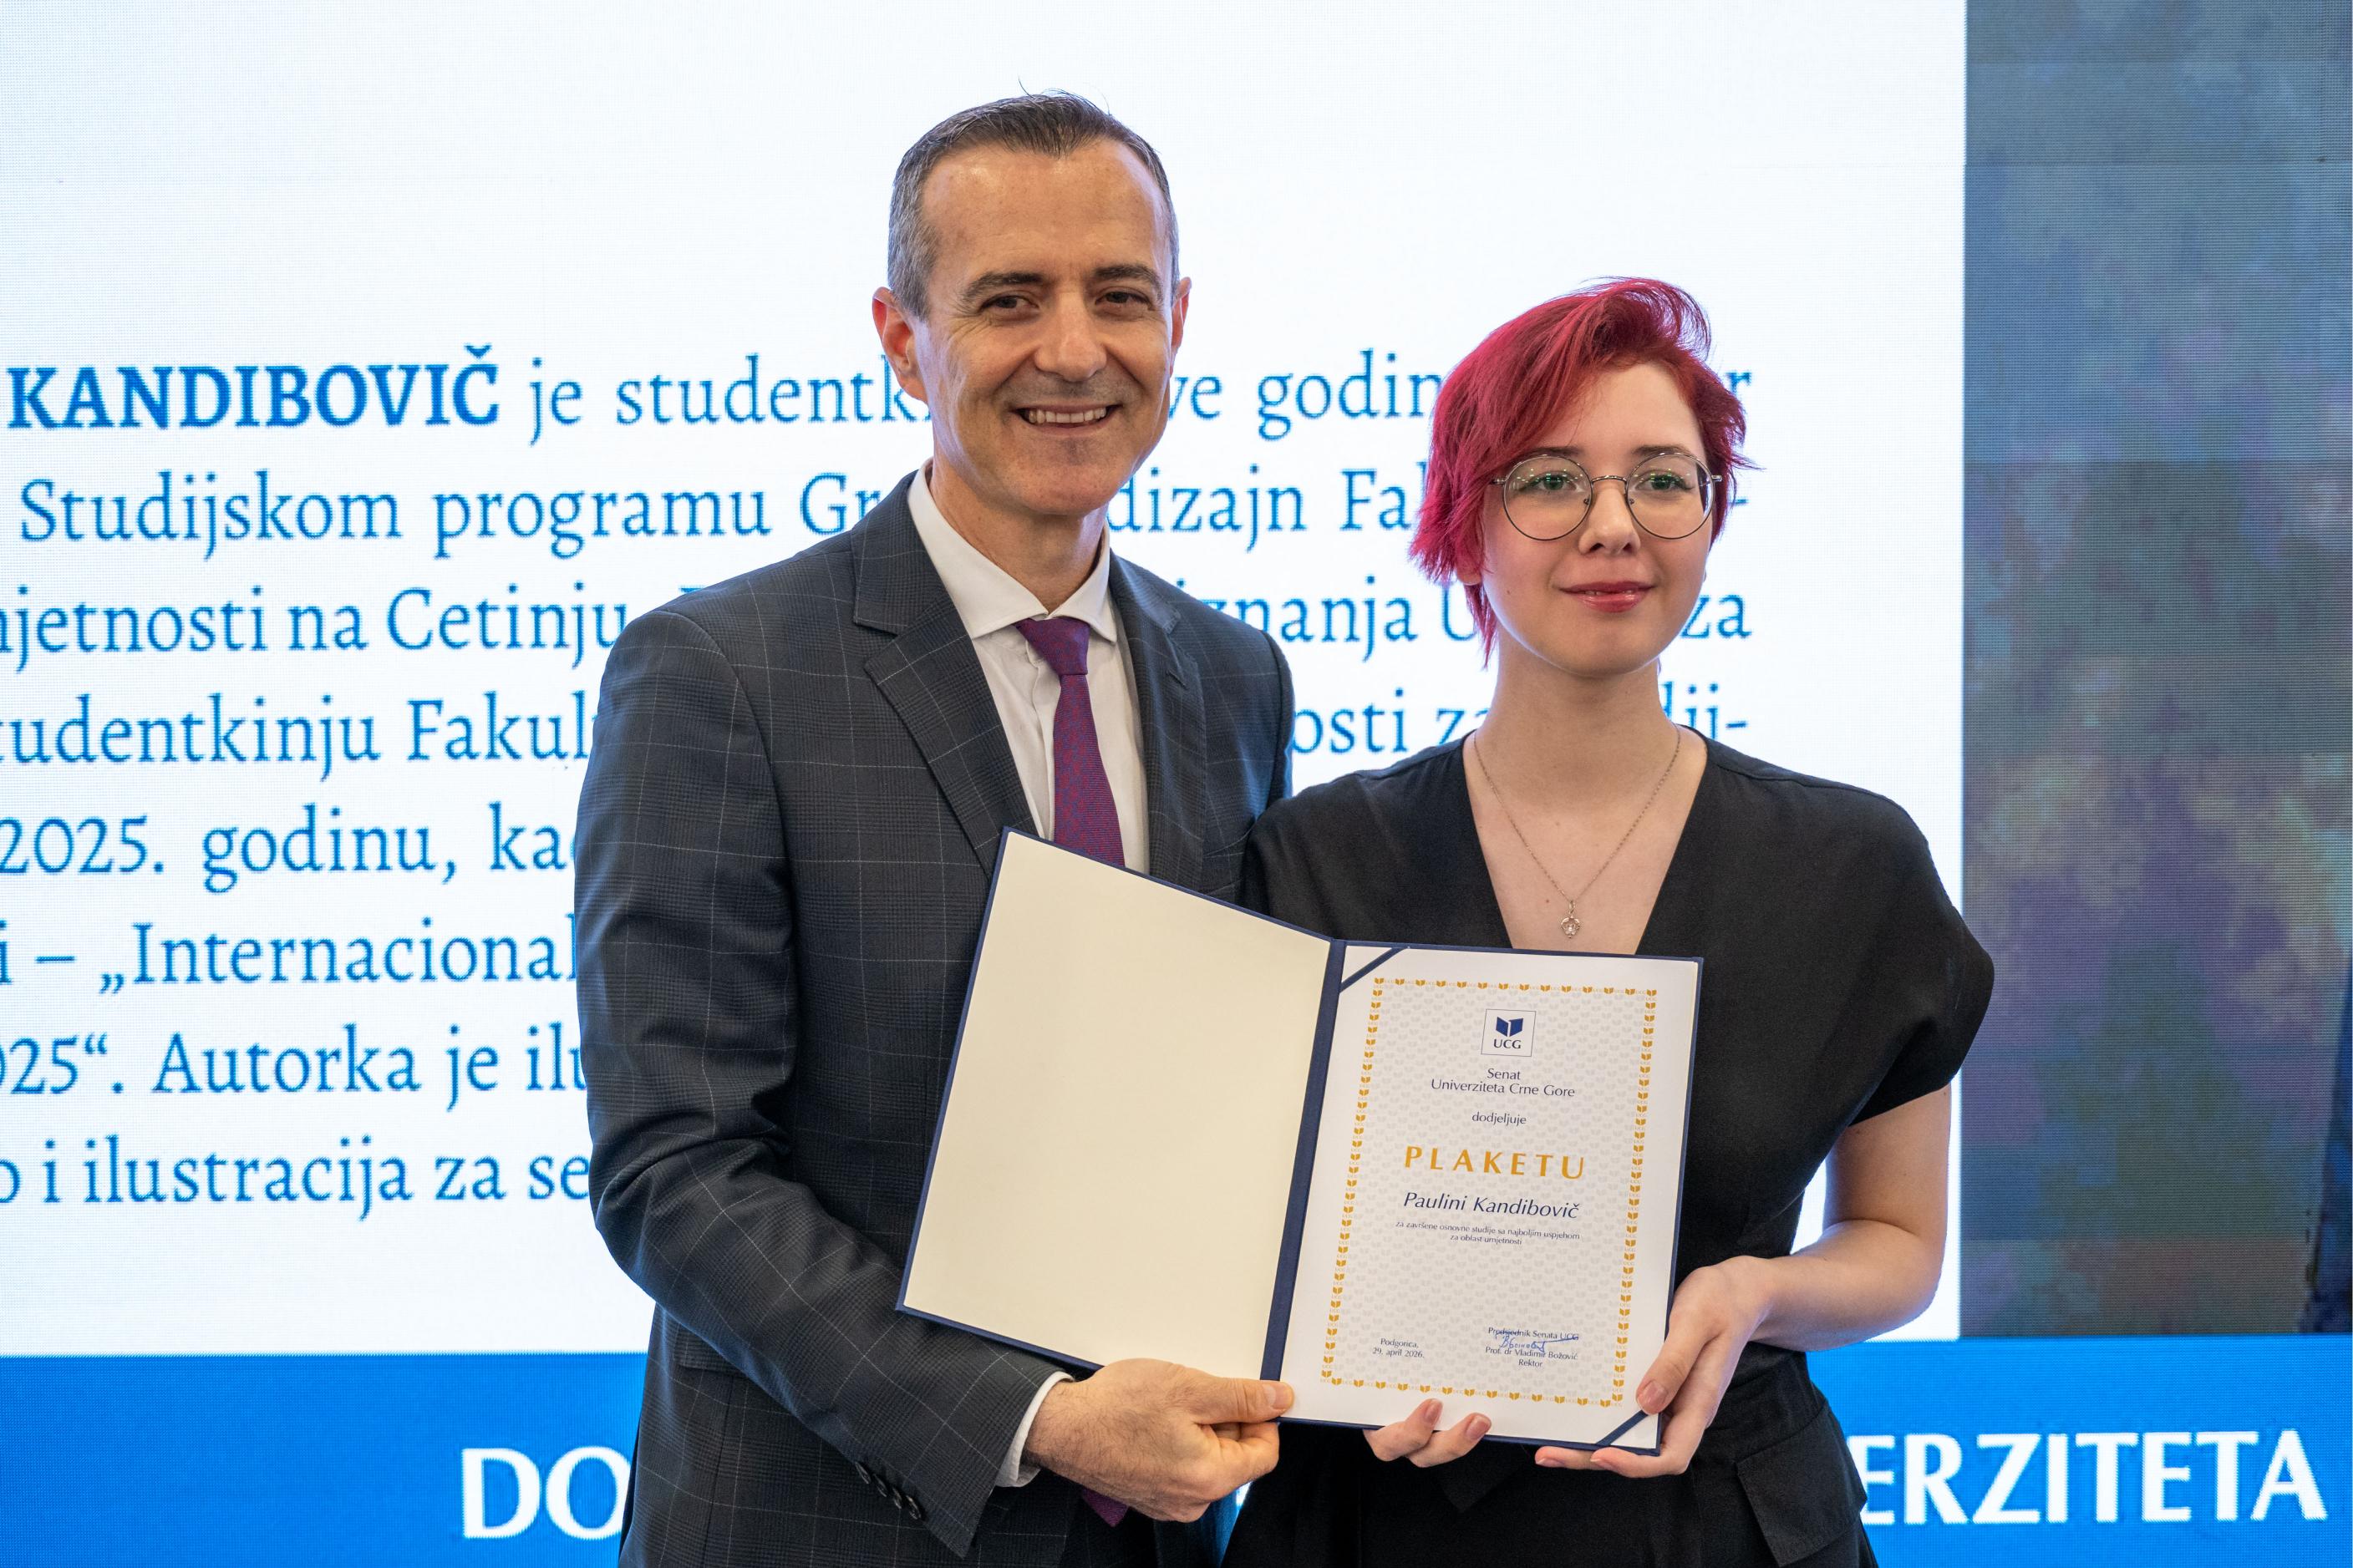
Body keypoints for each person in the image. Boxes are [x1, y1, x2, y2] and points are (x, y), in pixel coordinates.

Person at [575, 94, 1296, 1568]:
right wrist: (1034, 1418)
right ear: (902, 338)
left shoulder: (1235, 680)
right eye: (1009, 300)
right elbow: (676, 1169)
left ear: (1181, 323)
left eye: (1121, 296)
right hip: (819, 1531)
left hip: (1154, 1535)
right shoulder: (720, 674)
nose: (1074, 351)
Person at [1223, 279, 1995, 1567]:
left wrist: (1760, 1291)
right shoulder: (1313, 860)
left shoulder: (1853, 866)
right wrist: (1336, 1370)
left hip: (1724, 1521)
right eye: (1550, 480)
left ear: (1711, 516)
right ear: (1464, 522)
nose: (1613, 525)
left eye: (1662, 480)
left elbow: (1901, 1242)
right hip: (1375, 1517)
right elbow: (1242, 1238)